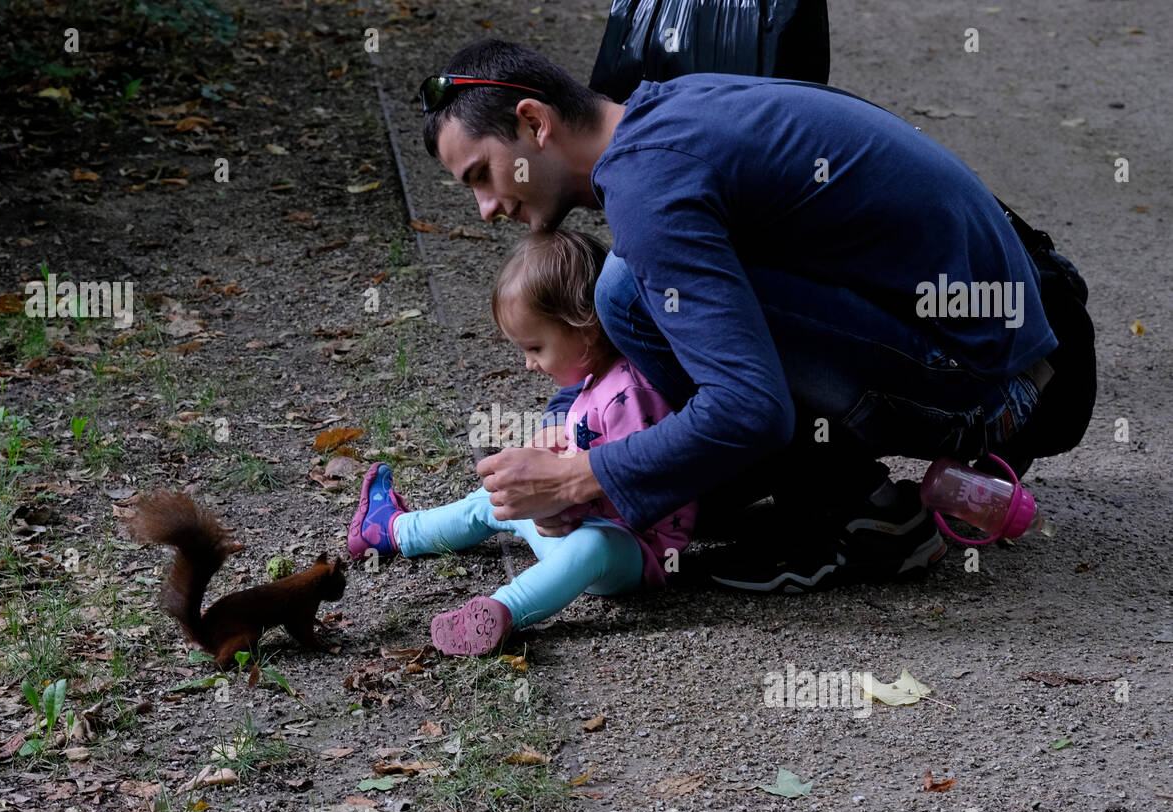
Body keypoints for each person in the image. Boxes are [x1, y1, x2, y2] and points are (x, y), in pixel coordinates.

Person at [419, 40, 1094, 593]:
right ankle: (824, 497)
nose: (485, 208)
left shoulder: (649, 188)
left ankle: (865, 520)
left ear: (535, 124)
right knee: (642, 312)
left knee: (626, 292)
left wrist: (579, 476)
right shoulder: (670, 109)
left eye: (481, 175)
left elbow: (750, 409)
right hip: (1007, 350)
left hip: (990, 389)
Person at [348, 229, 696, 654]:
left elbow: (639, 482)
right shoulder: (594, 379)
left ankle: (499, 612)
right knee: (494, 502)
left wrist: (560, 501)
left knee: (593, 547)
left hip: (631, 551)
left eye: (535, 347)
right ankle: (393, 530)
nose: (529, 364)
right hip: (572, 524)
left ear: (585, 329)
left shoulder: (631, 392)